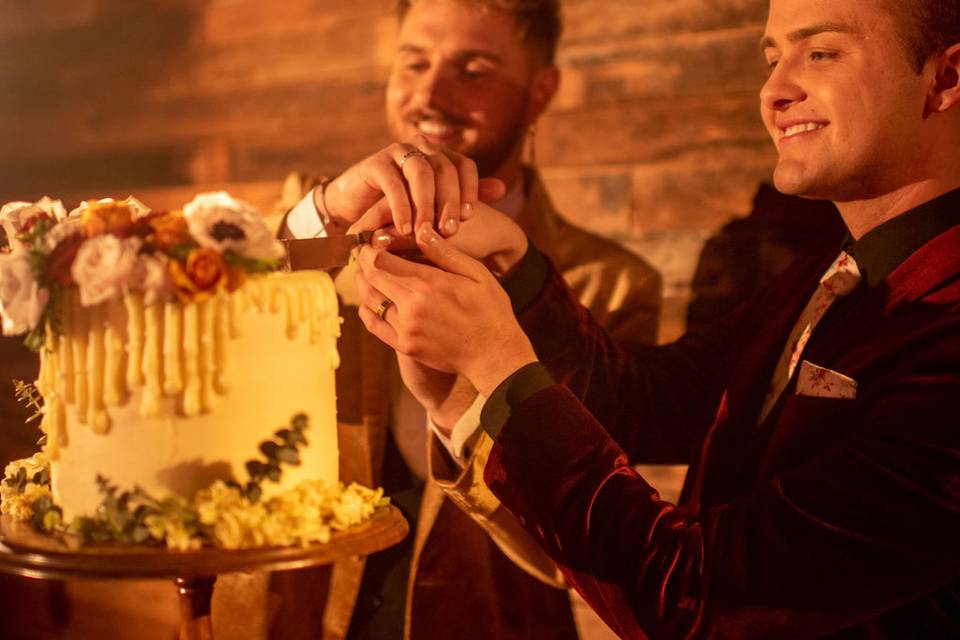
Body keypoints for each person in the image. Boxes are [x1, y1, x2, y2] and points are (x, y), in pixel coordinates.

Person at [339, 0, 960, 636]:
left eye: (820, 53)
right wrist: (517, 268)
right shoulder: (825, 269)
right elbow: (650, 402)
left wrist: (496, 366)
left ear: (945, 78)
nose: (774, 90)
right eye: (772, 58)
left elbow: (701, 597)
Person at [276, 0, 661, 637]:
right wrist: (327, 213)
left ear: (542, 92)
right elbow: (216, 304)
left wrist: (463, 400)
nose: (430, 94)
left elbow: (593, 542)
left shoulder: (611, 285)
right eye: (415, 62)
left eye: (473, 69)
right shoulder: (318, 223)